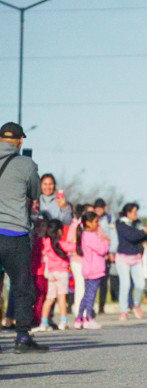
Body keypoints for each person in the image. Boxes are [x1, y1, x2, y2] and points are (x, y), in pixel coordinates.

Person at [0, 122, 48, 352]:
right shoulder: (25, 164)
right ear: (20, 141)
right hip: (14, 234)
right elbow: (34, 193)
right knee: (21, 287)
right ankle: (22, 339)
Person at [32, 219, 76, 332]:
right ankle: (63, 321)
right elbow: (75, 247)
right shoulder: (62, 244)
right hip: (62, 273)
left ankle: (44, 322)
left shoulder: (46, 242)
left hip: (51, 273)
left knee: (49, 298)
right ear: (59, 231)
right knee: (61, 297)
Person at [115, 202, 147, 321]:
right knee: (125, 285)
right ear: (128, 213)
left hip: (136, 257)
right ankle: (123, 310)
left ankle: (136, 304)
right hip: (123, 258)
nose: (136, 214)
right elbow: (132, 236)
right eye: (134, 212)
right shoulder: (121, 224)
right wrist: (146, 230)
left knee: (140, 284)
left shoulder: (138, 223)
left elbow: (142, 236)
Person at [75, 211, 110, 329]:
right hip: (94, 269)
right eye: (95, 222)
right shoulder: (90, 236)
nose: (97, 224)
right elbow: (101, 249)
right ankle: (88, 317)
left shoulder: (85, 235)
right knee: (91, 295)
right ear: (88, 223)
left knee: (86, 295)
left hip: (89, 268)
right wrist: (106, 242)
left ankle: (79, 318)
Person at [93, 198, 117, 314]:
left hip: (106, 254)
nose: (98, 210)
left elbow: (113, 236)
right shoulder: (91, 219)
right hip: (94, 253)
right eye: (96, 208)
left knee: (103, 282)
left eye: (100, 208)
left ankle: (102, 305)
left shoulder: (109, 219)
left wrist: (112, 251)